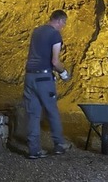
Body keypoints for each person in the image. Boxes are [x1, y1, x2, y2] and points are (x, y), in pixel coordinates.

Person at [23, 9, 72, 159]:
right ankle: (59, 145)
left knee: (33, 114)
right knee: (52, 111)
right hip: (44, 78)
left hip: (30, 77)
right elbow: (55, 61)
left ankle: (34, 150)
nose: (63, 27)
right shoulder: (55, 34)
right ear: (59, 21)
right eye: (63, 24)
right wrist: (64, 74)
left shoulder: (36, 31)